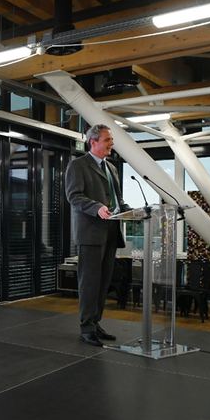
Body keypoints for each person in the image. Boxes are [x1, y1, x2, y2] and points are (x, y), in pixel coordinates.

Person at [65, 124, 131, 346]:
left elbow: (117, 200)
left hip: (111, 230)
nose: (112, 143)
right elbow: (74, 196)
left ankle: (96, 322)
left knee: (103, 282)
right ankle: (87, 328)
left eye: (111, 139)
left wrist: (132, 212)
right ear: (93, 142)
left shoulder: (111, 168)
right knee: (90, 283)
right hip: (91, 232)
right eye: (107, 140)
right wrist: (96, 207)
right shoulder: (78, 165)